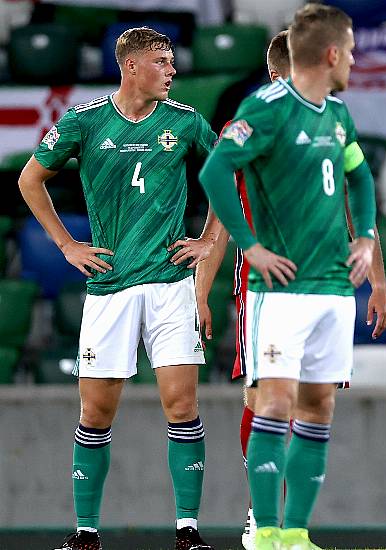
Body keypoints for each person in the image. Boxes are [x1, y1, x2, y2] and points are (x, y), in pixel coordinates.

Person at [18, 27, 218, 550]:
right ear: (131, 66)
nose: (172, 70)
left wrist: (208, 239)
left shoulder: (186, 122)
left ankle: (188, 530)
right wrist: (67, 246)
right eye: (161, 61)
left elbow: (227, 174)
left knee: (181, 405)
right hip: (109, 287)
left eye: (173, 61)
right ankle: (86, 532)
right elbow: (28, 179)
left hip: (171, 284)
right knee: (95, 414)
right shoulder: (85, 121)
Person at [192, 29, 386, 550]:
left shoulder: (333, 119)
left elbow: (354, 202)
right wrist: (202, 289)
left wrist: (378, 279)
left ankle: (294, 528)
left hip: (327, 282)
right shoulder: (258, 120)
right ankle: (262, 521)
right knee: (263, 395)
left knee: (314, 402)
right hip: (270, 285)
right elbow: (218, 215)